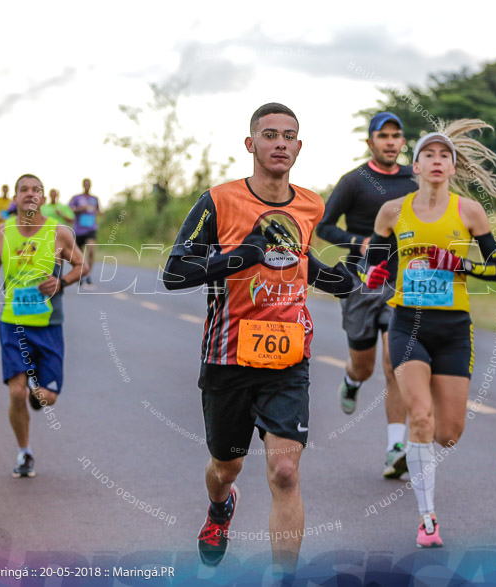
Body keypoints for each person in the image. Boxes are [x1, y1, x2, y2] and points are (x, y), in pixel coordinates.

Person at [163, 103, 351, 575]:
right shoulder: (219, 201)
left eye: (289, 136)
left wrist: (346, 281)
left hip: (289, 358)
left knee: (286, 473)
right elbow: (174, 273)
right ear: (251, 144)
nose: (281, 143)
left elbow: (301, 263)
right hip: (228, 357)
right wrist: (237, 258)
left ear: (300, 147)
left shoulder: (310, 204)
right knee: (225, 469)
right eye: (270, 135)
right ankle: (220, 507)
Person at [361, 119, 496, 547]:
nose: (437, 161)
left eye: (445, 155)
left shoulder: (469, 212)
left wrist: (460, 265)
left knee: (448, 432)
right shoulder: (393, 212)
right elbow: (374, 267)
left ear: (454, 167)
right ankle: (428, 519)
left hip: (454, 330)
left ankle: (419, 450)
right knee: (420, 416)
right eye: (429, 154)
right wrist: (373, 274)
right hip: (408, 324)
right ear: (416, 166)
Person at [316, 111, 418, 479]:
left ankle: (395, 449)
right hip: (361, 283)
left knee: (396, 365)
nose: (390, 142)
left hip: (402, 283)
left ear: (403, 142)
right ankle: (352, 379)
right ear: (370, 142)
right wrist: (357, 242)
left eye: (396, 135)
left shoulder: (415, 179)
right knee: (366, 364)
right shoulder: (354, 181)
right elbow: (323, 225)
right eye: (383, 136)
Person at [0, 174, 87, 478]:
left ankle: (39, 394)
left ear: (43, 198)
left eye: (35, 190)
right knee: (16, 393)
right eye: (23, 190)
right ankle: (24, 452)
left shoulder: (59, 233)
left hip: (48, 324)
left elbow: (81, 265)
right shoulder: (0, 233)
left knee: (45, 396)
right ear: (14, 197)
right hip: (12, 323)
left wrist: (61, 281)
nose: (29, 194)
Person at [69, 178, 100, 285]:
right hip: (79, 230)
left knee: (91, 251)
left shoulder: (95, 199)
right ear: (83, 185)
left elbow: (98, 211)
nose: (87, 186)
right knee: (80, 255)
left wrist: (98, 212)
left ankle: (88, 274)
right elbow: (71, 209)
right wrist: (82, 208)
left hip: (91, 228)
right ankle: (81, 273)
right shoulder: (76, 198)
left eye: (89, 184)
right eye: (85, 184)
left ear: (90, 185)